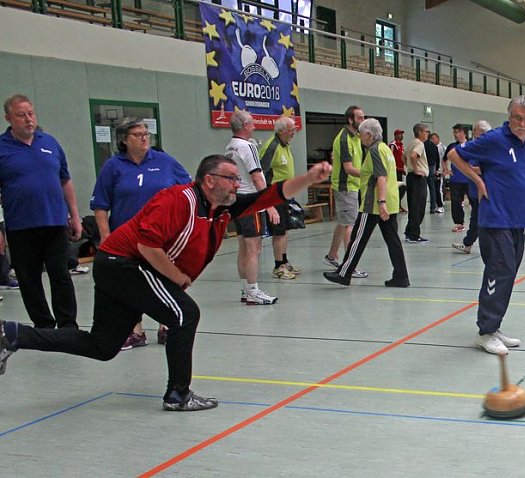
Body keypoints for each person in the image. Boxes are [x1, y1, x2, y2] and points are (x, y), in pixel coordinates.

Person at [0, 155, 333, 410]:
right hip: (124, 264)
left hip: (121, 267)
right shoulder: (178, 200)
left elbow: (271, 195)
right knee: (184, 315)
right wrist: (178, 278)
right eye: (231, 178)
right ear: (209, 180)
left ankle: (12, 334)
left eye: (237, 179)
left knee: (101, 347)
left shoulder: (220, 209)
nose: (237, 184)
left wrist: (309, 177)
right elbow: (147, 245)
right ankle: (178, 394)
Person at [447, 96, 525, 356]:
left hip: (518, 220)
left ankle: (494, 326)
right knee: (499, 270)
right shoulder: (495, 139)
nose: (522, 123)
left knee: (509, 273)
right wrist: (477, 180)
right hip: (496, 218)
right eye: (518, 118)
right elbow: (454, 154)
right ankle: (485, 332)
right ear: (510, 116)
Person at [90, 117, 192, 351]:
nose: (145, 137)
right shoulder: (113, 166)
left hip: (161, 236)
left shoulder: (164, 161)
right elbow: (100, 204)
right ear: (124, 140)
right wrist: (106, 236)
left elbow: (187, 190)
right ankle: (135, 330)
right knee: (132, 283)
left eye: (146, 133)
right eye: (137, 134)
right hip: (126, 238)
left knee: (164, 277)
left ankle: (166, 324)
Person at [0, 94, 81, 330]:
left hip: (54, 222)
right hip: (20, 225)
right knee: (29, 280)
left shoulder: (50, 143)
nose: (28, 119)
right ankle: (44, 325)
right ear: (8, 118)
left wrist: (74, 215)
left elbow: (65, 180)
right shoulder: (2, 148)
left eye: (31, 114)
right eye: (21, 115)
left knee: (61, 276)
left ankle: (68, 325)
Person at [322, 119, 409, 287]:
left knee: (357, 239)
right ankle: (401, 276)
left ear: (369, 135)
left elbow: (381, 177)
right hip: (391, 201)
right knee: (393, 240)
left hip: (374, 204)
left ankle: (344, 273)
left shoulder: (375, 150)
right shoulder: (385, 149)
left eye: (361, 135)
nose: (360, 138)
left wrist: (381, 201)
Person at [225, 111, 278, 305]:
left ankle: (245, 289)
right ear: (245, 126)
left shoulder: (230, 147)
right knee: (254, 248)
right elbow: (256, 176)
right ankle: (253, 291)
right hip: (251, 202)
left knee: (243, 247)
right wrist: (268, 203)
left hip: (237, 201)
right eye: (252, 124)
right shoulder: (248, 146)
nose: (254, 127)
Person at [323, 106, 368, 278]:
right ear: (350, 120)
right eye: (360, 118)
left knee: (343, 222)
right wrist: (368, 175)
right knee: (351, 225)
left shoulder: (356, 137)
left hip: (353, 185)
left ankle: (332, 256)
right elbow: (348, 168)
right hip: (345, 186)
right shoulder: (343, 139)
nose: (362, 121)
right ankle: (350, 265)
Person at [259, 115, 302, 281]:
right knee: (278, 232)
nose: (294, 133)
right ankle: (278, 267)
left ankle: (284, 261)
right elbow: (261, 173)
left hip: (285, 194)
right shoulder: (272, 146)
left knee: (284, 231)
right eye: (291, 130)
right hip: (274, 195)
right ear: (282, 131)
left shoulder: (285, 145)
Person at [452, 120, 491, 255]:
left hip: (483, 190)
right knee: (476, 217)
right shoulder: (474, 147)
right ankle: (468, 243)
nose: (473, 132)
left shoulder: (487, 148)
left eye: (475, 130)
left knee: (479, 218)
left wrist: (469, 169)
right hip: (474, 189)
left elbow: (485, 168)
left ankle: (469, 243)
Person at [404, 123, 430, 243]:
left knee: (413, 205)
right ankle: (414, 234)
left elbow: (403, 157)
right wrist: (415, 169)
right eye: (426, 131)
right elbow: (414, 156)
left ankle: (409, 231)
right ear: (419, 132)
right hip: (417, 178)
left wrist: (408, 167)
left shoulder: (410, 143)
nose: (427, 134)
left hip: (410, 177)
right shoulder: (419, 144)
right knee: (419, 206)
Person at [446, 124, 470, 233]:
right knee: (456, 202)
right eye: (454, 132)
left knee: (475, 201)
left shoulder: (471, 145)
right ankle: (459, 223)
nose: (455, 134)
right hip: (456, 179)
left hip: (470, 179)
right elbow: (444, 158)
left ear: (463, 133)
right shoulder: (452, 146)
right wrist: (446, 170)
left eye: (457, 132)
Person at [425, 132, 442, 215]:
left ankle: (421, 207)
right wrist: (437, 168)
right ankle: (432, 207)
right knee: (433, 189)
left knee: (423, 189)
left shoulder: (423, 145)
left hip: (424, 167)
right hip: (432, 167)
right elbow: (437, 158)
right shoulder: (434, 146)